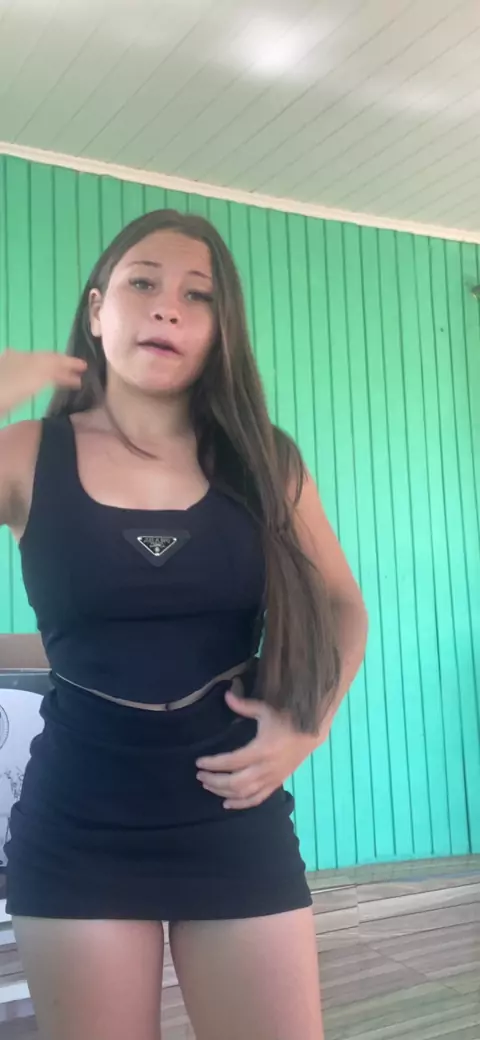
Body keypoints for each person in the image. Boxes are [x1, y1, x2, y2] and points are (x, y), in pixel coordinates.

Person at [0, 209, 367, 1040]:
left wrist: (308, 724)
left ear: (218, 330)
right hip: (78, 824)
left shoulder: (266, 460)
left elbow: (344, 605)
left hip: (234, 815)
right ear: (98, 311)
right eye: (143, 283)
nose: (168, 306)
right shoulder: (26, 453)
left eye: (197, 295)